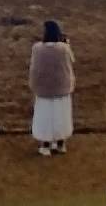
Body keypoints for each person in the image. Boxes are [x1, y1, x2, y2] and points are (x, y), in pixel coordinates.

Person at [29, 20, 76, 156]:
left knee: (45, 116)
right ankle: (60, 144)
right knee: (61, 115)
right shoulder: (64, 48)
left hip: (43, 89)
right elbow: (71, 60)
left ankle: (46, 145)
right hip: (61, 88)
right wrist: (67, 44)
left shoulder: (37, 48)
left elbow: (35, 67)